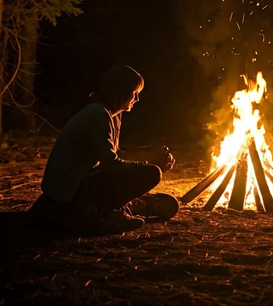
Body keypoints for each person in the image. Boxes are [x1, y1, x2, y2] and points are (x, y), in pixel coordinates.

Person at [30, 64, 179, 233]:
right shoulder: (98, 114)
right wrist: (149, 167)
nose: (137, 99)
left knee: (150, 171)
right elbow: (111, 165)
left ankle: (121, 206)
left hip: (81, 180)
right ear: (120, 91)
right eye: (134, 93)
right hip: (68, 190)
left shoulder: (112, 115)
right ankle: (101, 214)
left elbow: (113, 156)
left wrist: (148, 160)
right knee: (152, 173)